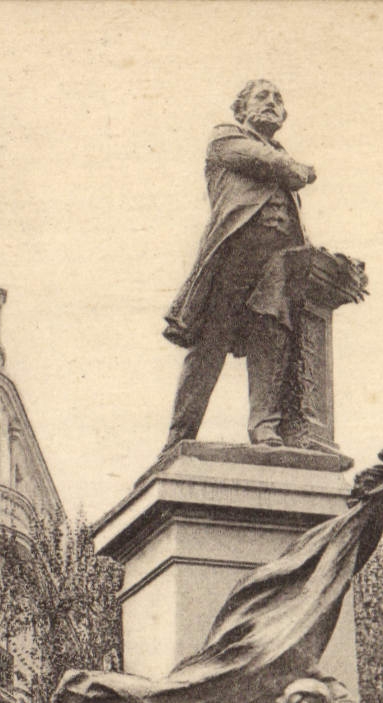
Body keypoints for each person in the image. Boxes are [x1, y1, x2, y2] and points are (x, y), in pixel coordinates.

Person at [162, 79, 316, 451]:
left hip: (276, 259)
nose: (272, 103)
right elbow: (272, 164)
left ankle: (265, 427)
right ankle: (179, 435)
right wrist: (297, 169)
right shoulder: (226, 138)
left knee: (271, 335)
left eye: (278, 98)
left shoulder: (281, 158)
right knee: (209, 344)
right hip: (233, 257)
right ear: (242, 108)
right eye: (262, 96)